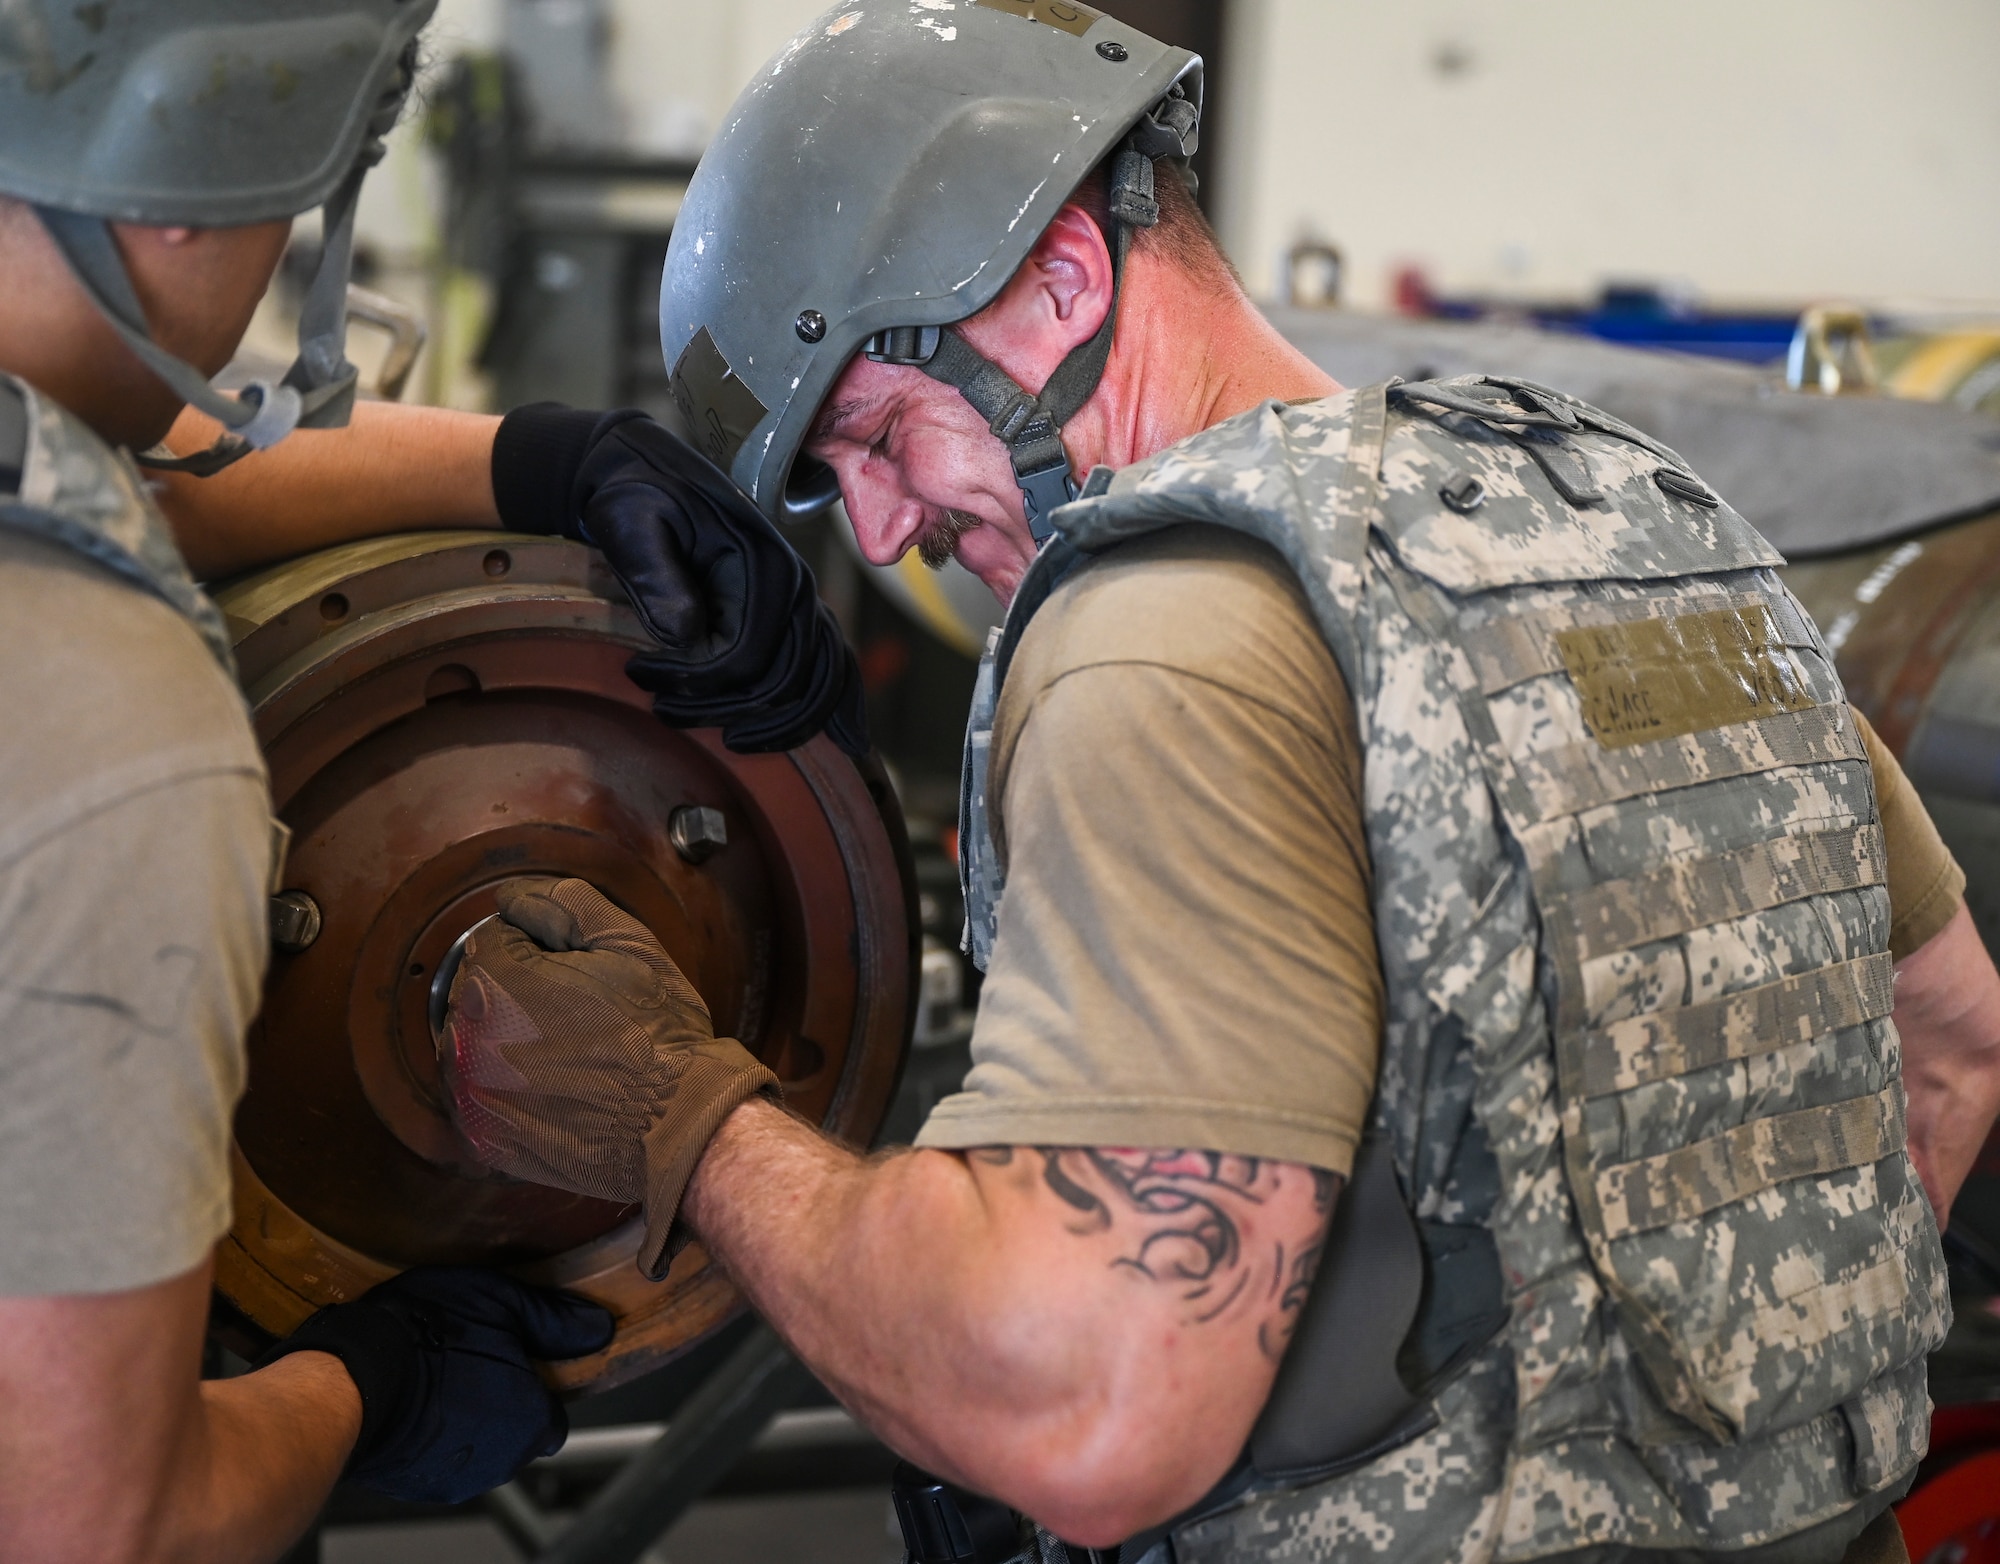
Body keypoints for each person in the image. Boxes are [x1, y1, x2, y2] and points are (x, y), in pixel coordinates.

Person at [150, 11, 2000, 1564]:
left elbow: (1090, 1408)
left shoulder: (1158, 640)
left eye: (875, 431)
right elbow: (1949, 1038)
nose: (878, 527)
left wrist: (673, 1115)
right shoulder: (1637, 514)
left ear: (1052, 281)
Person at [0, 7, 663, 1559]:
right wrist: (363, 1389)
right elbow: (97, 1526)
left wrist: (543, 464)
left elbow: (121, 462)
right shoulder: (114, 732)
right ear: (197, 172)